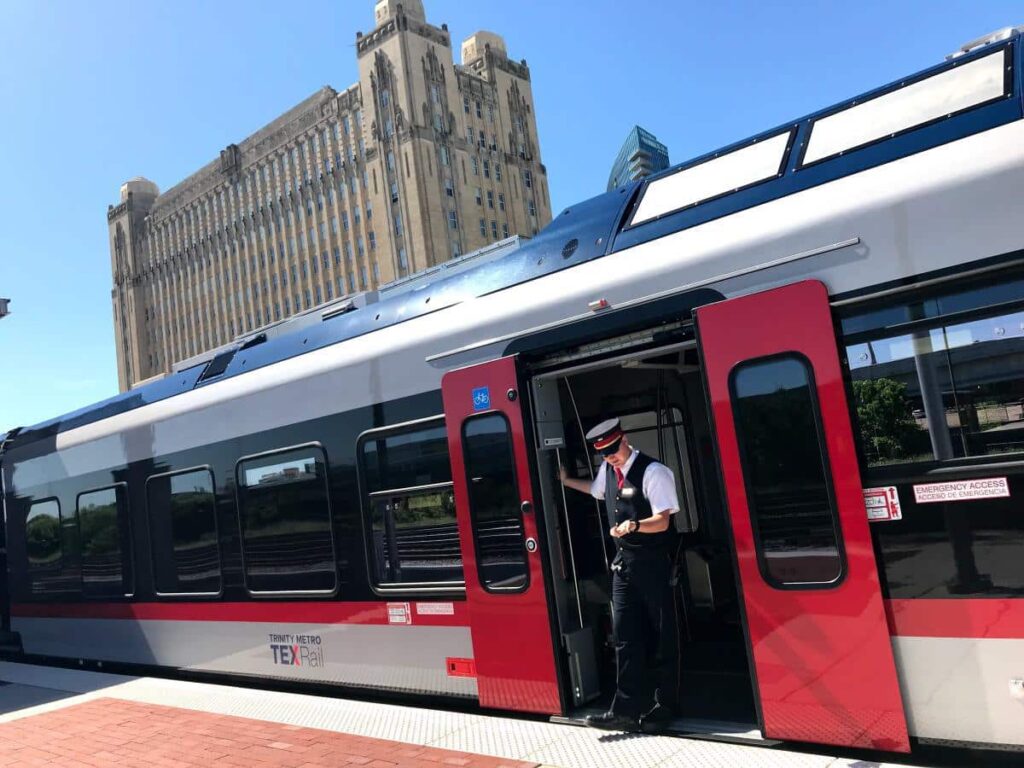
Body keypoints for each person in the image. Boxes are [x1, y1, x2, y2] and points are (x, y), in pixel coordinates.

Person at [560, 417, 680, 733]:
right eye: (605, 453)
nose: (611, 456)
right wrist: (566, 481)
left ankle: (664, 706)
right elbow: (597, 491)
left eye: (613, 449)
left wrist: (636, 525)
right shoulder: (608, 473)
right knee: (625, 635)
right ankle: (624, 710)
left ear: (623, 439)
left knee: (662, 636)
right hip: (624, 566)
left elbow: (664, 520)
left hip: (652, 564)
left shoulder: (653, 472)